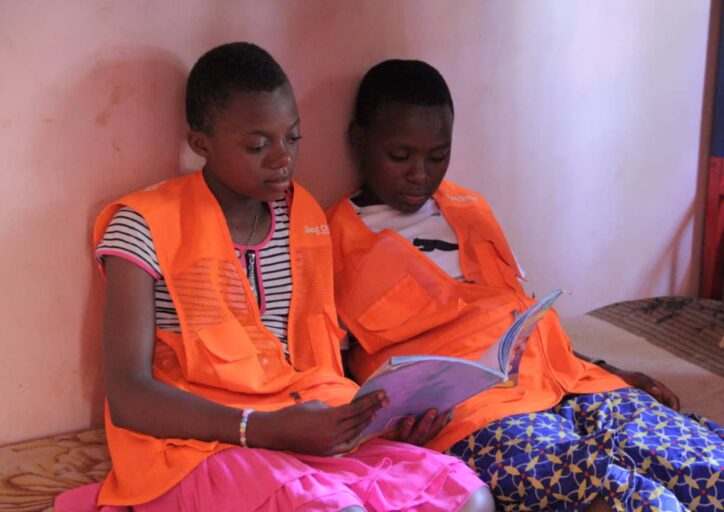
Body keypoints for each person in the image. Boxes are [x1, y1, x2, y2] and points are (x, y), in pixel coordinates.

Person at [55, 44, 495, 512]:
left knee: (467, 494)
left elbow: (315, 363)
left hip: (302, 427)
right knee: (333, 508)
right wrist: (262, 429)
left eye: (293, 138)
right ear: (200, 142)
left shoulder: (301, 214)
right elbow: (129, 397)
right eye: (257, 145)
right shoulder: (142, 224)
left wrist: (379, 418)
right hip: (197, 446)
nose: (281, 158)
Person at [327, 59, 724, 511]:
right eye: (401, 156)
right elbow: (329, 375)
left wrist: (606, 368)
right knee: (634, 499)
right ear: (359, 140)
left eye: (437, 156)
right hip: (479, 418)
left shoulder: (469, 207)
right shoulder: (331, 244)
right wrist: (389, 428)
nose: (420, 173)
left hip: (572, 383)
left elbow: (521, 319)